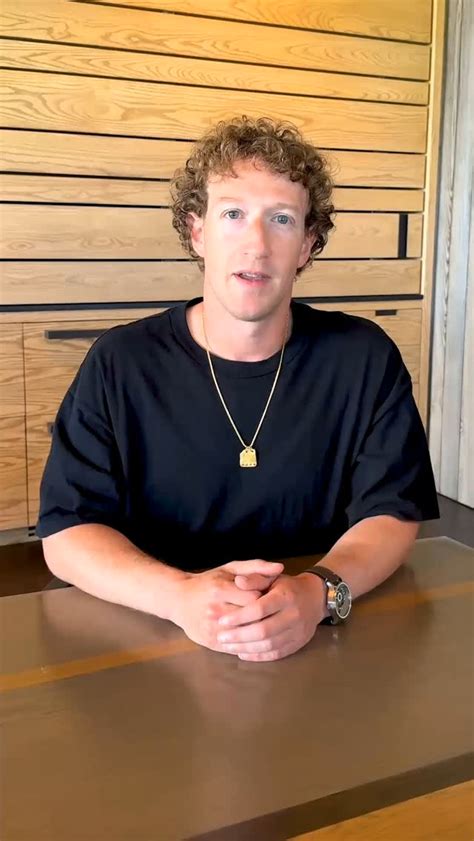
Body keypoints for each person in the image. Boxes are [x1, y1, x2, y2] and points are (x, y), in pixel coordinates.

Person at [37, 116, 440, 662]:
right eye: (232, 214)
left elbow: (392, 512)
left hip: (320, 637)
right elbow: (68, 533)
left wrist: (319, 592)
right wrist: (181, 597)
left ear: (307, 245)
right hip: (154, 633)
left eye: (281, 219)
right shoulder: (120, 362)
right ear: (197, 232)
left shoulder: (364, 357)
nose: (257, 244)